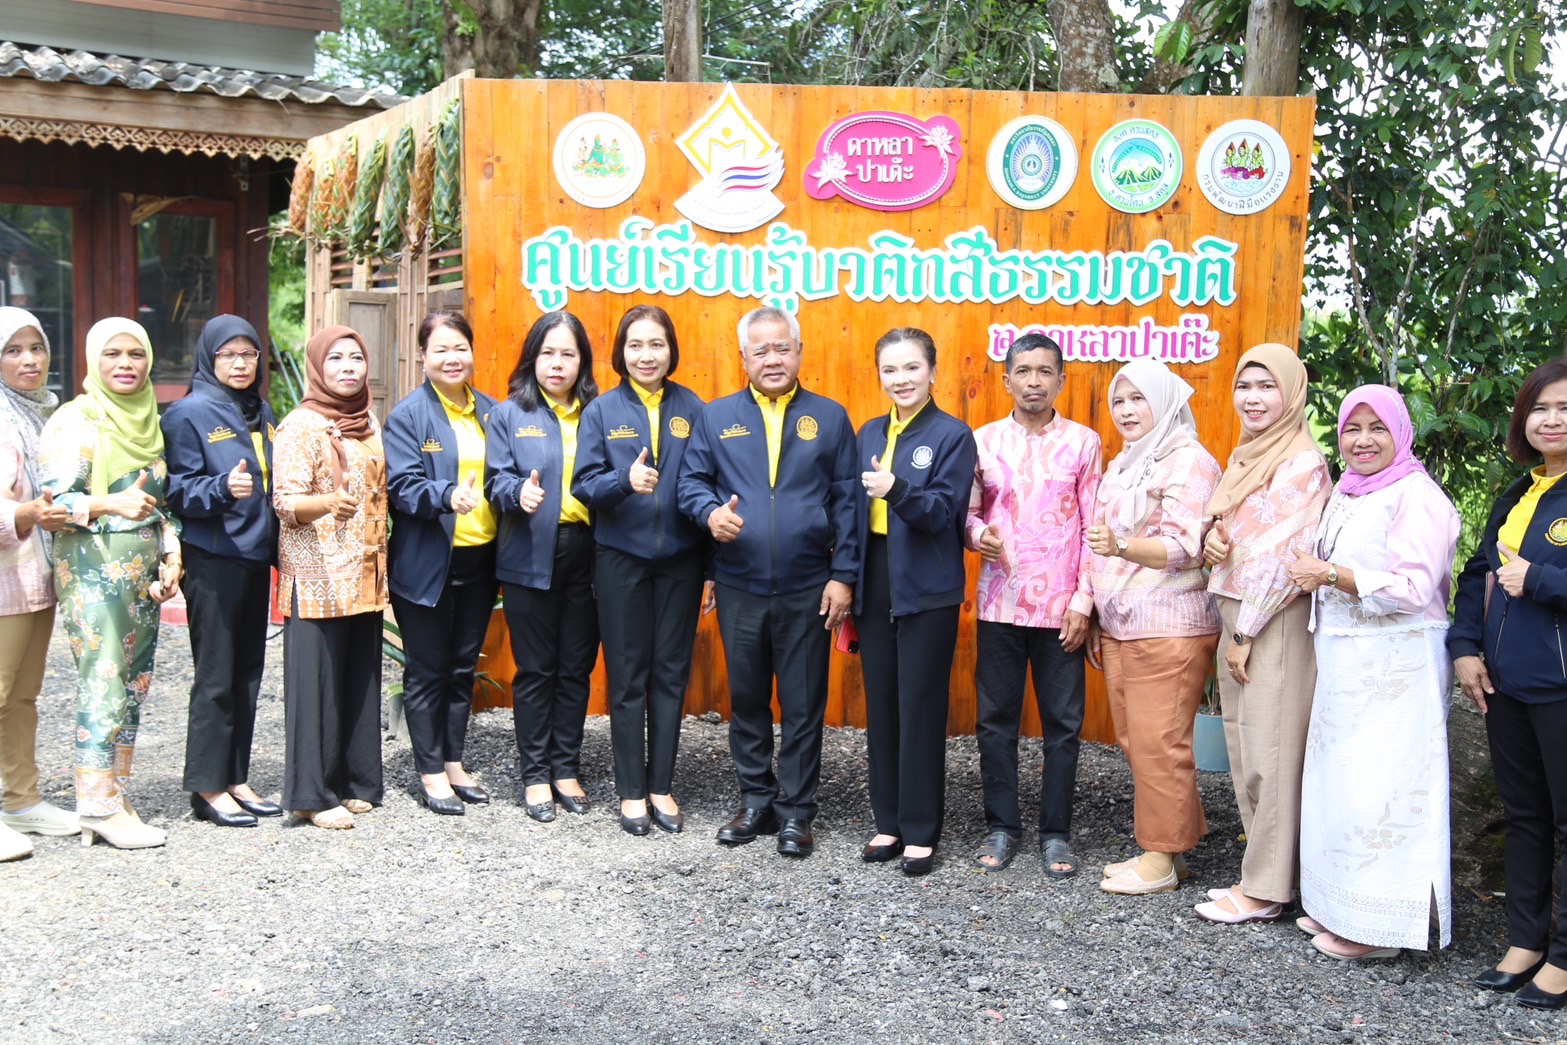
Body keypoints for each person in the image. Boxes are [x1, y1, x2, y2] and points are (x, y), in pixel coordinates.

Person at [1283, 384, 1460, 959]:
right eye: (1352, 429)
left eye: (1377, 428)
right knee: (1344, 787)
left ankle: (1383, 930)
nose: (1363, 441)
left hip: (1397, 664)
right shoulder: (1349, 491)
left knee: (1386, 792)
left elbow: (1413, 589)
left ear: (1400, 432)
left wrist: (1329, 574)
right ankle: (1342, 908)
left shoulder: (1416, 495)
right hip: (1347, 659)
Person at [677, 306, 858, 858]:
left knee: (803, 703)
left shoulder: (829, 417)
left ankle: (797, 811)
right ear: (744, 358)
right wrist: (709, 513)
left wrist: (844, 575)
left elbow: (847, 502)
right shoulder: (717, 417)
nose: (773, 359)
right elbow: (691, 483)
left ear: (799, 352)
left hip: (809, 584)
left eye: (782, 348)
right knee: (748, 698)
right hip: (740, 582)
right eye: (761, 350)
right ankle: (756, 800)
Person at [1194, 342, 1331, 924]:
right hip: (1240, 612)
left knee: (1271, 750)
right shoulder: (1249, 455)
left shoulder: (1300, 462)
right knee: (1245, 743)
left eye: (1267, 386)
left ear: (1292, 393)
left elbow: (1285, 558)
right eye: (1244, 386)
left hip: (1270, 618)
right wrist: (1212, 542)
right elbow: (1235, 535)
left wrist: (1246, 631)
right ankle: (1264, 875)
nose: (1253, 398)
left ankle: (1268, 888)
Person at [1450, 359, 1567, 1009]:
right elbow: (1478, 573)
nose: (1551, 420)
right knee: (1523, 817)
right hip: (1505, 683)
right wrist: (1465, 647)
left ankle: (1564, 957)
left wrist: (1541, 580)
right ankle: (1525, 940)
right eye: (1539, 408)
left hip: (1560, 685)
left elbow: (1525, 577)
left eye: (1565, 408)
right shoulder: (1519, 490)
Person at [39, 318, 181, 849]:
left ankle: (114, 793)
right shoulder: (76, 420)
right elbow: (53, 505)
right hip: (93, 569)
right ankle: (96, 805)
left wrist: (172, 556)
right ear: (93, 360)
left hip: (142, 576)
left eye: (135, 354)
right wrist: (109, 502)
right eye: (112, 354)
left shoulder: (150, 421)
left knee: (135, 682)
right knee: (104, 678)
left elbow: (160, 505)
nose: (125, 364)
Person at [1084, 358, 1221, 895]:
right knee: (1137, 741)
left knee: (1160, 743)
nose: (1126, 410)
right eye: (1119, 401)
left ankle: (1159, 860)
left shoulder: (1189, 460)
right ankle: (1169, 850)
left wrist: (1121, 546)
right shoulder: (1125, 464)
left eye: (1138, 398)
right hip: (1121, 623)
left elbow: (1186, 547)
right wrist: (1093, 608)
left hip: (1169, 622)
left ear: (1164, 401)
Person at [965, 332, 1100, 878]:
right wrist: (977, 535)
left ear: (1061, 380)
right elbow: (968, 513)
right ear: (1007, 381)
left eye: (1045, 371)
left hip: (1061, 609)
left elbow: (1094, 528)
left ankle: (1056, 833)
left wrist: (1084, 602)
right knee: (995, 720)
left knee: (1062, 724)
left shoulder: (1084, 443)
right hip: (999, 603)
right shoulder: (983, 441)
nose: (1034, 381)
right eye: (1023, 371)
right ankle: (1002, 826)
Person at [572, 305, 707, 835]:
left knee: (671, 674)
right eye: (635, 345)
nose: (646, 355)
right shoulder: (602, 411)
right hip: (620, 559)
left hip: (682, 561)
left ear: (671, 350)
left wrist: (711, 568)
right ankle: (631, 791)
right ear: (620, 352)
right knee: (628, 677)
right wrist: (623, 482)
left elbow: (707, 486)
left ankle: (661, 786)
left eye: (656, 344)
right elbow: (584, 485)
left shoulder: (693, 408)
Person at [852, 328, 975, 876]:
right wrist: (846, 578)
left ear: (932, 372)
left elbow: (943, 514)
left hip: (927, 585)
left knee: (920, 708)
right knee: (882, 704)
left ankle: (921, 830)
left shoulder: (952, 435)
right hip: (875, 577)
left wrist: (896, 488)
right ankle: (889, 822)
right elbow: (851, 512)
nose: (900, 379)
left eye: (911, 368)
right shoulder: (869, 432)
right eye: (890, 369)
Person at [162, 315, 279, 829]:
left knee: (247, 673)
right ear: (209, 358)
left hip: (254, 556)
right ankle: (207, 787)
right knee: (216, 675)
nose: (240, 363)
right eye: (228, 354)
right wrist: (220, 489)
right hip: (214, 558)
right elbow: (177, 490)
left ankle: (236, 777)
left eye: (248, 354)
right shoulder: (187, 413)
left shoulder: (260, 411)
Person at [384, 311, 500, 817]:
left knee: (460, 667)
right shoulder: (408, 416)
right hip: (428, 563)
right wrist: (446, 494)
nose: (452, 358)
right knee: (428, 669)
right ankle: (430, 771)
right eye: (441, 349)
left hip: (481, 561)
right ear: (423, 357)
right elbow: (402, 488)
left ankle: (453, 763)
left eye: (460, 348)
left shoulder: (492, 412)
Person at [485, 311, 600, 823]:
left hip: (589, 554)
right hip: (530, 552)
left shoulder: (598, 412)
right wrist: (518, 491)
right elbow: (495, 481)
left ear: (582, 362)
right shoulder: (509, 414)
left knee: (575, 668)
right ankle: (535, 775)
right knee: (536, 669)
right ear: (532, 358)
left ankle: (565, 769)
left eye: (568, 354)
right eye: (548, 353)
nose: (557, 364)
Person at [272, 326, 387, 831]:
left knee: (358, 678)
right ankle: (311, 795)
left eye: (356, 358)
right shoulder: (300, 425)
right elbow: (284, 501)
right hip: (317, 573)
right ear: (318, 367)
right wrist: (325, 503)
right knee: (316, 688)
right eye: (335, 358)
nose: (347, 368)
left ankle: (353, 781)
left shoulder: (367, 421)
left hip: (363, 570)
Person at [0, 307, 72, 859]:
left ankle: (20, 799)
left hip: (34, 577)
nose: (29, 359)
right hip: (5, 579)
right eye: (13, 350)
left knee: (22, 696)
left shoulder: (42, 412)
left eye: (36, 347)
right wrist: (26, 514)